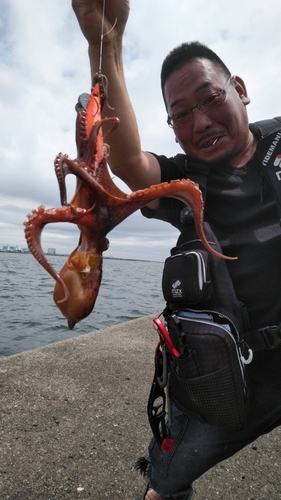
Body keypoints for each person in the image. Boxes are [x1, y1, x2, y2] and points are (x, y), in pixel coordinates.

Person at [72, 2, 281, 499]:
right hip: (224, 386)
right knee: (165, 479)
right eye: (181, 114)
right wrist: (106, 46)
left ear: (242, 91)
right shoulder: (185, 180)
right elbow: (126, 161)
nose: (201, 121)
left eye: (211, 98)